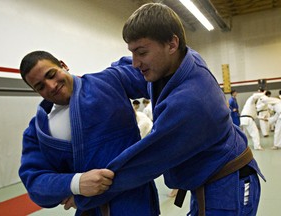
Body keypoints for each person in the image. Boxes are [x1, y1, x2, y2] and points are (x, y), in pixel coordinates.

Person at [87, 3, 264, 216]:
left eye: (141, 52)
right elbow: (123, 67)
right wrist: (81, 86)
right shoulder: (183, 59)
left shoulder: (191, 101)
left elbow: (145, 160)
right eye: (132, 52)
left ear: (172, 44)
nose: (135, 62)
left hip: (228, 187)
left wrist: (82, 189)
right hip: (208, 180)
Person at [18, 51, 160, 216]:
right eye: (40, 86)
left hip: (134, 203)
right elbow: (35, 183)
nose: (51, 86)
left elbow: (162, 70)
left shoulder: (110, 81)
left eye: (51, 74)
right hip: (89, 211)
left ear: (63, 65)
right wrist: (76, 183)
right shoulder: (37, 130)